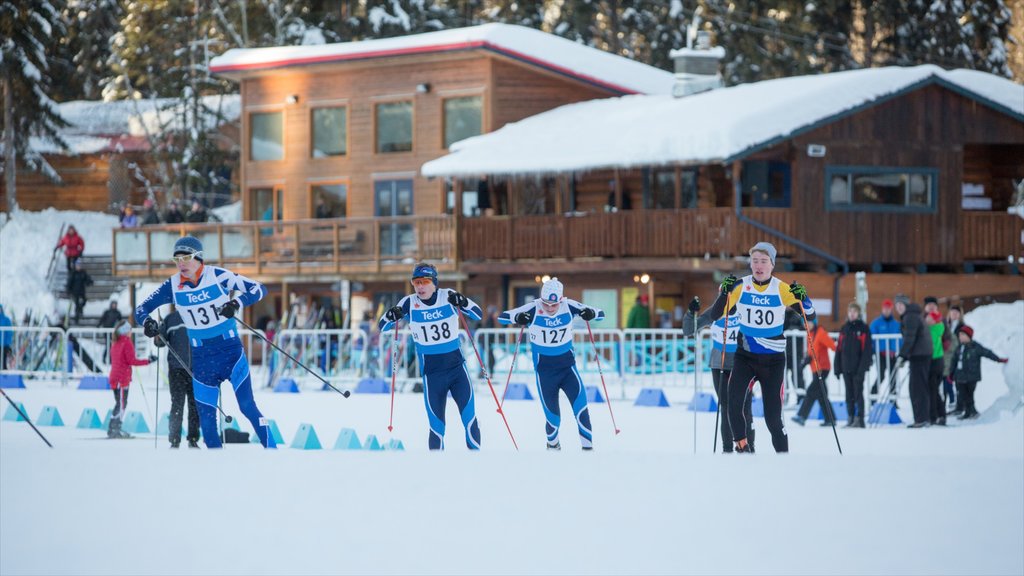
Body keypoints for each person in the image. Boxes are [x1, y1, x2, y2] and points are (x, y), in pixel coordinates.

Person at [134, 236, 276, 449]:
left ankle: (273, 451)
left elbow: (258, 289)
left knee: (247, 407)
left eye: (187, 258)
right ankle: (215, 470)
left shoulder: (217, 276)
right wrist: (147, 323)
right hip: (201, 358)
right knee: (208, 423)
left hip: (230, 353)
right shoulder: (172, 285)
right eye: (177, 259)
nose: (181, 263)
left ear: (199, 258)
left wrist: (236, 303)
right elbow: (140, 309)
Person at [706, 242, 816, 453]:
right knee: (733, 404)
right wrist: (724, 293)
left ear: (772, 265)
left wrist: (804, 297)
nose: (758, 265)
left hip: (773, 360)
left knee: (773, 418)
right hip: (745, 357)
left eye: (763, 261)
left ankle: (783, 458)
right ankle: (743, 447)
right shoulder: (740, 285)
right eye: (755, 261)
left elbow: (809, 315)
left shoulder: (781, 288)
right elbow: (715, 315)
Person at [378, 263, 483, 450]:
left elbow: (477, 314)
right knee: (436, 427)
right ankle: (436, 471)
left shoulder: (447, 296)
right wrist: (391, 314)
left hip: (457, 370)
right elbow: (382, 325)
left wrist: (463, 302)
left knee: (469, 418)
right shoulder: (409, 303)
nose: (420, 287)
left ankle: (476, 464)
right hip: (432, 375)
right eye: (416, 282)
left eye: (425, 282)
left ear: (434, 283)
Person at [499, 278, 603, 450]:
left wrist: (590, 314)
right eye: (546, 304)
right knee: (553, 419)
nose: (549, 308)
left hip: (568, 370)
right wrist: (518, 317)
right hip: (545, 374)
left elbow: (600, 313)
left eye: (553, 305)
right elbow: (503, 317)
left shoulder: (568, 306)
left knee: (582, 411)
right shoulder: (534, 307)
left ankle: (588, 451)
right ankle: (553, 448)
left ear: (561, 300)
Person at [682, 296, 755, 453]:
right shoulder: (714, 312)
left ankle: (748, 447)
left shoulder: (745, 310)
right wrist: (691, 313)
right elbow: (688, 330)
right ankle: (727, 449)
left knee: (745, 408)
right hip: (719, 365)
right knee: (726, 407)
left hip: (743, 365)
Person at [155, 309, 200, 448]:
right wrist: (157, 331)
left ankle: (193, 439)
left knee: (195, 405)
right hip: (176, 369)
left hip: (196, 369)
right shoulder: (171, 319)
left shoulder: (198, 315)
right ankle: (174, 439)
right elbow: (159, 343)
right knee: (177, 405)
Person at [949, 325, 1008, 420]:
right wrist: (951, 373)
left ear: (969, 336)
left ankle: (972, 411)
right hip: (959, 376)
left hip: (971, 376)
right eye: (959, 335)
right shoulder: (959, 348)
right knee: (962, 394)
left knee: (969, 395)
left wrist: (998, 359)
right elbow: (954, 361)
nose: (960, 337)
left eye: (963, 335)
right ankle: (967, 412)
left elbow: (987, 353)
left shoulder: (975, 347)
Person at [107, 320, 154, 438]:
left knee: (120, 402)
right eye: (129, 330)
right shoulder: (126, 342)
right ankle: (114, 428)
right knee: (121, 404)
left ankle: (114, 427)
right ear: (125, 331)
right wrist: (148, 361)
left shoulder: (116, 342)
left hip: (116, 376)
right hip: (121, 378)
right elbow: (132, 361)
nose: (131, 332)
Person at [894, 294, 933, 428]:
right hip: (920, 354)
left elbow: (910, 338)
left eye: (901, 305)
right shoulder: (911, 315)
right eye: (897, 305)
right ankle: (922, 418)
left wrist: (902, 356)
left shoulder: (910, 316)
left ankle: (921, 419)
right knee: (918, 387)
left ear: (906, 305)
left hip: (920, 355)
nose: (898, 307)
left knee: (917, 388)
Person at [791, 317, 837, 427]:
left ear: (814, 323)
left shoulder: (820, 332)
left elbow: (832, 345)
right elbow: (813, 351)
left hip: (822, 369)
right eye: (805, 323)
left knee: (811, 392)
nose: (807, 325)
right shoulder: (810, 334)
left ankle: (802, 416)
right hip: (815, 369)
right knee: (822, 395)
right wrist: (806, 361)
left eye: (809, 323)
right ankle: (830, 419)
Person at [834, 302, 873, 428]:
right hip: (846, 367)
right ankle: (850, 417)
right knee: (848, 394)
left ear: (858, 313)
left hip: (858, 368)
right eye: (850, 311)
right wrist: (837, 368)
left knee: (858, 393)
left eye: (854, 312)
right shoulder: (844, 328)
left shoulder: (863, 328)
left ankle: (860, 418)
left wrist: (862, 369)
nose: (852, 314)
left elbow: (867, 351)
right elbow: (839, 349)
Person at [869, 299, 902, 403]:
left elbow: (900, 339)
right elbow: (872, 339)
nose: (886, 311)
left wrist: (896, 350)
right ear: (882, 309)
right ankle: (873, 397)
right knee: (881, 375)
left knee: (893, 377)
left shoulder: (896, 324)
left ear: (891, 309)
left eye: (888, 309)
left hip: (893, 355)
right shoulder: (876, 323)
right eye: (885, 308)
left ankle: (893, 400)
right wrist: (874, 351)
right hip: (881, 355)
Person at [923, 296, 949, 426]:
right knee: (932, 390)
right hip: (929, 360)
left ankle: (935, 415)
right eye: (929, 305)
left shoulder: (938, 325)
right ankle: (936, 415)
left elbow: (946, 336)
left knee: (933, 390)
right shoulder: (924, 322)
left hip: (936, 360)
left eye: (933, 305)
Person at [943, 305, 964, 415]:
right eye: (952, 312)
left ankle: (956, 404)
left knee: (955, 382)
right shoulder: (946, 325)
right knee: (946, 382)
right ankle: (948, 402)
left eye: (956, 313)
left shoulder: (961, 327)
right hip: (946, 358)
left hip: (956, 357)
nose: (954, 315)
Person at [66, 261, 93, 325]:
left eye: (79, 265)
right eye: (77, 265)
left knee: (84, 301)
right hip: (75, 292)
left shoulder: (83, 273)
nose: (79, 267)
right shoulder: (73, 273)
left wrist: (90, 282)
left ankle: (80, 310)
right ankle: (76, 319)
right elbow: (69, 282)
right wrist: (68, 290)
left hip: (81, 291)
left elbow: (87, 280)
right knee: (77, 305)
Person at [0, 304, 13, 370]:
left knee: (3, 362)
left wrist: (8, 344)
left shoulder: (6, 320)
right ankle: (4, 377)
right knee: (3, 363)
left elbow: (9, 333)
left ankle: (4, 377)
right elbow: (10, 333)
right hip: (4, 345)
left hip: (4, 345)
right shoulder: (7, 320)